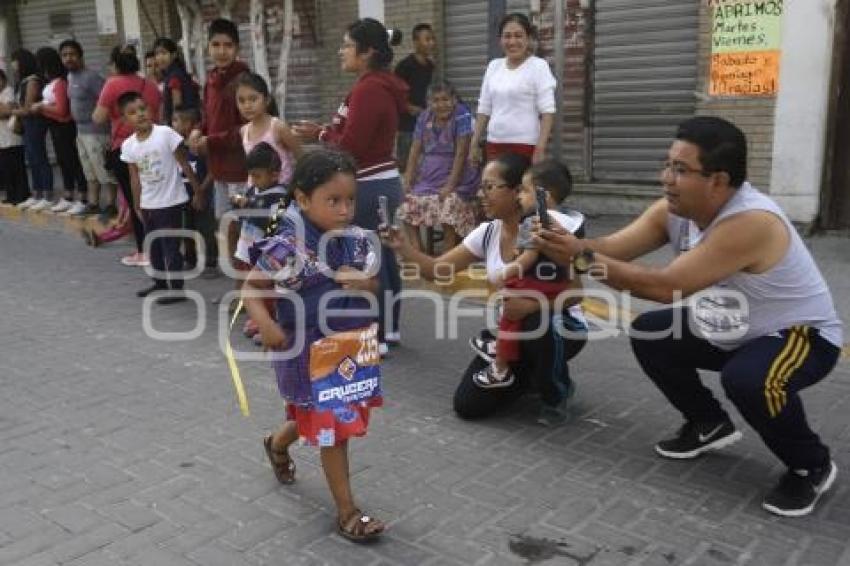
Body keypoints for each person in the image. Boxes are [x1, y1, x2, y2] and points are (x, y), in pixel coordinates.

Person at [535, 116, 844, 517]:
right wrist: (561, 240)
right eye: (667, 165)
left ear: (718, 180)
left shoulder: (750, 222)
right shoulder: (674, 209)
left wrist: (579, 257)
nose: (666, 178)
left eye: (680, 170)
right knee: (650, 332)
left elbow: (665, 288)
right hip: (732, 325)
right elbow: (614, 248)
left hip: (801, 337)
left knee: (749, 380)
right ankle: (707, 423)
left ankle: (811, 464)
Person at [243, 148, 386, 542]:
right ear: (303, 200)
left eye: (350, 200)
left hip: (348, 348)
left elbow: (374, 287)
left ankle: (275, 443)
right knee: (332, 429)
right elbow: (250, 289)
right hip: (307, 349)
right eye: (333, 201)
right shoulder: (288, 246)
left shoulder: (355, 241)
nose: (344, 210)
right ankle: (347, 512)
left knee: (320, 417)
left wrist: (367, 283)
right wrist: (267, 324)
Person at [382, 153, 587, 423]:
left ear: (518, 192)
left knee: (536, 321)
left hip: (559, 327)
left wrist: (531, 305)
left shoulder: (548, 231)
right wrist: (403, 248)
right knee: (468, 404)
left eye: (489, 187)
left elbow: (575, 293)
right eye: (482, 187)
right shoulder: (488, 232)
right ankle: (531, 375)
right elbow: (436, 271)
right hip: (511, 329)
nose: (481, 194)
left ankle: (556, 388)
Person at [293, 18, 408, 354]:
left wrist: (320, 135)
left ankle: (380, 332)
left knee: (370, 259)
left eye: (346, 45)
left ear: (367, 51)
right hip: (376, 182)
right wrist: (325, 131)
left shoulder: (370, 88)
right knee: (379, 257)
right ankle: (387, 329)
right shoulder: (372, 85)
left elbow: (351, 146)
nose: (341, 51)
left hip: (372, 184)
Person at [469, 158, 583, 391]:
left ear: (544, 196)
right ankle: (504, 353)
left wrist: (508, 270)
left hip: (548, 298)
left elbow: (529, 257)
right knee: (512, 309)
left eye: (524, 190)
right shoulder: (571, 221)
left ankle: (507, 367)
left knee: (516, 309)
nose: (520, 197)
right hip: (547, 287)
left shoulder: (539, 221)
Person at [119, 91, 201, 303]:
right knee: (153, 245)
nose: (140, 114)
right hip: (148, 204)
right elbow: (134, 178)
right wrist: (136, 205)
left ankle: (176, 288)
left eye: (143, 109)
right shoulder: (129, 145)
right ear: (124, 119)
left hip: (171, 201)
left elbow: (183, 163)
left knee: (170, 246)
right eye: (132, 112)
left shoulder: (165, 133)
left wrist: (197, 190)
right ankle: (160, 281)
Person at [187, 18, 250, 277]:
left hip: (241, 170)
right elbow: (209, 118)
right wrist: (197, 129)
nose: (221, 51)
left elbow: (246, 129)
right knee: (226, 228)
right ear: (208, 47)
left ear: (237, 49)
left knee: (244, 230)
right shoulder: (212, 79)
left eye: (228, 45)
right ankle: (239, 287)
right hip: (218, 170)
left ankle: (252, 291)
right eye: (216, 45)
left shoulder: (244, 81)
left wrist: (209, 141)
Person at [93, 45, 162, 267]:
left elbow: (98, 117)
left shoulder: (112, 84)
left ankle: (145, 251)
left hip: (125, 148)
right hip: (152, 146)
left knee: (136, 203)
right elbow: (158, 115)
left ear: (115, 64)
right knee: (154, 199)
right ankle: (160, 248)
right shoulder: (150, 85)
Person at [399, 81, 480, 251]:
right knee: (406, 203)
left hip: (459, 177)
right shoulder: (424, 117)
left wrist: (450, 185)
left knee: (449, 202)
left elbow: (461, 153)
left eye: (445, 99)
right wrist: (407, 178)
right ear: (429, 103)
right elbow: (415, 149)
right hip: (429, 177)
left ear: (454, 100)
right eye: (435, 100)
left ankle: (447, 254)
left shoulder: (462, 115)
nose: (441, 104)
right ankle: (418, 252)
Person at [470, 12, 556, 165]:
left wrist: (540, 148)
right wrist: (474, 142)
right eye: (507, 36)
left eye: (518, 36)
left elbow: (547, 112)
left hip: (526, 146)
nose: (512, 41)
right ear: (500, 40)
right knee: (495, 188)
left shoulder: (538, 66)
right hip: (494, 145)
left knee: (523, 188)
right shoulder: (494, 66)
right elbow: (484, 108)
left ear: (528, 38)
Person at [233, 142, 289, 344]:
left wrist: (250, 209)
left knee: (266, 288)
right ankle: (256, 317)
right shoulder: (252, 191)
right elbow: (241, 217)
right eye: (251, 175)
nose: (253, 181)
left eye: (258, 176)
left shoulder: (281, 196)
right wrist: (239, 206)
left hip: (266, 253)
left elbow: (274, 225)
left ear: (274, 175)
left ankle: (269, 321)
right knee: (250, 285)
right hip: (246, 248)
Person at [60, 39, 118, 218]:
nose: (68, 58)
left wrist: (110, 131)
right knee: (89, 171)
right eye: (64, 55)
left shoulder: (91, 77)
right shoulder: (70, 77)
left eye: (72, 54)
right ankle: (93, 203)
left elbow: (108, 102)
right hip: (80, 132)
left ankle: (110, 205)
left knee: (104, 171)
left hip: (97, 132)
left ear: (80, 56)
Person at [33, 46, 88, 215]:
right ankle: (68, 194)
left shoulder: (61, 82)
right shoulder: (51, 82)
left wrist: (41, 107)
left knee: (73, 161)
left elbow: (62, 111)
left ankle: (83, 197)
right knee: (63, 162)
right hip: (55, 128)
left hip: (65, 128)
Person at [236, 71, 301, 187]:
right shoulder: (243, 131)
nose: (247, 106)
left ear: (267, 100)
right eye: (241, 101)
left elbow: (301, 158)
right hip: (256, 195)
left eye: (253, 99)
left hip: (282, 193)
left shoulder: (278, 127)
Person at [171, 105, 215, 274]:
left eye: (176, 120)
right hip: (183, 196)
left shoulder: (200, 145)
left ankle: (211, 262)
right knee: (186, 227)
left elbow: (212, 171)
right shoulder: (176, 145)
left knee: (205, 229)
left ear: (189, 123)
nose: (173, 124)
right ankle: (190, 259)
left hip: (202, 194)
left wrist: (201, 192)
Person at [10, 49, 51, 211]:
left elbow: (27, 108)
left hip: (35, 123)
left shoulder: (32, 80)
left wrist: (11, 111)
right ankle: (37, 193)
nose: (13, 64)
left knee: (39, 158)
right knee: (32, 160)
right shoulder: (23, 80)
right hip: (27, 124)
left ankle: (46, 194)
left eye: (15, 60)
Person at [394, 22, 435, 172]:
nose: (431, 43)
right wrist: (412, 109)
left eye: (432, 39)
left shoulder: (431, 66)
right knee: (406, 167)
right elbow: (395, 97)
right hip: (408, 127)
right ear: (416, 42)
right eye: (427, 39)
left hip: (427, 125)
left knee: (425, 166)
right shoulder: (404, 66)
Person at [153, 37, 200, 126]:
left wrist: (171, 124)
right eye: (157, 54)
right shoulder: (176, 72)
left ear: (173, 55)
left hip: (182, 123)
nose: (160, 57)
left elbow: (177, 103)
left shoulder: (174, 76)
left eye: (164, 53)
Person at [0, 68, 29, 205]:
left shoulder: (8, 92)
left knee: (16, 167)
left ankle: (22, 194)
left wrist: (4, 110)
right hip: (2, 138)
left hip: (12, 136)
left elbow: (7, 112)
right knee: (6, 168)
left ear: (3, 79)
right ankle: (11, 195)